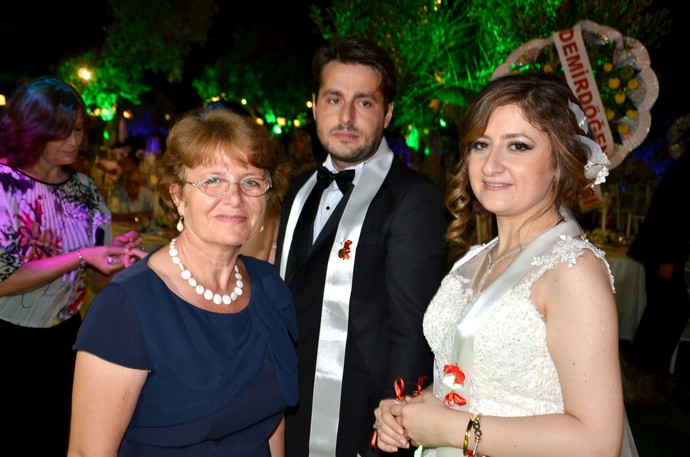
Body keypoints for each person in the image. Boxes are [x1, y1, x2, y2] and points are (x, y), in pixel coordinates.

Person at [374, 74, 638, 457]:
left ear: (559, 160)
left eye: (518, 146)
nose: (491, 165)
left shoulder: (571, 271)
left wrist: (453, 429)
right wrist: (412, 410)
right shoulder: (475, 260)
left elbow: (598, 442)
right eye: (481, 145)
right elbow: (477, 382)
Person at [68, 108, 298, 456]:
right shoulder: (127, 307)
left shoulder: (269, 288)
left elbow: (271, 419)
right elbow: (88, 452)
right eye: (213, 180)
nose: (235, 198)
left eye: (251, 181)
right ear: (178, 196)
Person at [275, 35, 448, 456]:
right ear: (314, 105)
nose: (346, 116)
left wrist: (393, 427)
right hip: (284, 412)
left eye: (364, 102)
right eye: (334, 99)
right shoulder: (297, 189)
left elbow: (414, 332)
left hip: (361, 422)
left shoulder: (413, 198)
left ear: (387, 113)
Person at [0, 76, 144, 457]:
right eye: (62, 131)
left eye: (79, 129)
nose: (74, 140)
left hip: (65, 338)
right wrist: (81, 256)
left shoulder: (84, 189)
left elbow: (95, 276)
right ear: (32, 130)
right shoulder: (4, 185)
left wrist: (114, 256)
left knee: (58, 439)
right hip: (8, 342)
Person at [627, 150, 690, 374]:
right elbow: (670, 220)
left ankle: (646, 364)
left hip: (663, 254)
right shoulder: (681, 180)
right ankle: (646, 364)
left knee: (665, 309)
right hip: (663, 255)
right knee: (670, 310)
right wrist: (667, 259)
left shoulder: (678, 177)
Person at [107, 167, 166, 231]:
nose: (132, 186)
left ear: (141, 183)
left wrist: (123, 217)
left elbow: (158, 215)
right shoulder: (117, 194)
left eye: (136, 183)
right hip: (122, 231)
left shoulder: (148, 195)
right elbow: (111, 215)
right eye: (129, 182)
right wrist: (139, 215)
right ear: (125, 182)